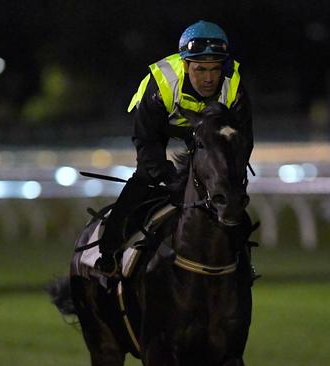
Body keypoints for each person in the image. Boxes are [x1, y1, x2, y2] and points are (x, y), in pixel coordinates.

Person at [95, 20, 254, 277]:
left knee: (230, 194)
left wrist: (225, 175)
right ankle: (108, 251)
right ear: (185, 64)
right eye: (200, 69)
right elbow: (146, 140)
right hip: (161, 125)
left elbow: (243, 140)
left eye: (215, 69)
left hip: (207, 128)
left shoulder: (234, 84)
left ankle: (244, 264)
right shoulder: (162, 83)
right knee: (144, 179)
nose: (209, 78)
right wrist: (163, 172)